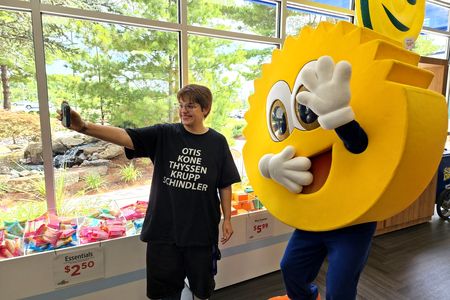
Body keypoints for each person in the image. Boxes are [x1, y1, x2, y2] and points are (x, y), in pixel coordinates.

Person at [58, 84, 241, 300]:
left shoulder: (217, 142)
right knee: (163, 293)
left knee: (202, 289)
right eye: (181, 105)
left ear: (205, 109)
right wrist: (84, 127)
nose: (183, 110)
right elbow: (125, 136)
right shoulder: (165, 134)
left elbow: (224, 183)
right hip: (164, 231)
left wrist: (227, 218)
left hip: (201, 232)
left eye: (190, 106)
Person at [261, 56, 377, 300]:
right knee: (290, 267)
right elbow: (267, 148)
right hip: (313, 218)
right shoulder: (295, 133)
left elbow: (359, 145)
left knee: (339, 289)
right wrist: (271, 166)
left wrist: (337, 114)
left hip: (352, 221)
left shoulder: (343, 123)